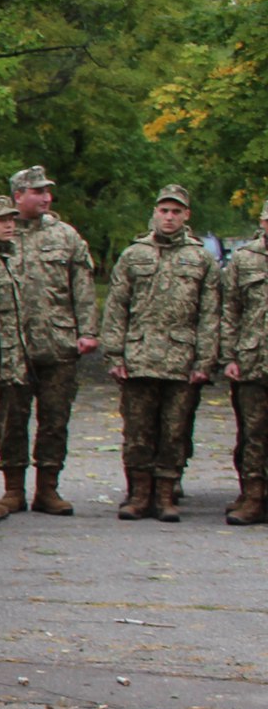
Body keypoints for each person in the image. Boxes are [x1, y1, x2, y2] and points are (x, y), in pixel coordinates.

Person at [102, 184, 220, 522]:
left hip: (181, 360)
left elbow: (210, 313)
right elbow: (116, 307)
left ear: (187, 216)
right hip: (138, 358)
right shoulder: (133, 255)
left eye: (176, 212)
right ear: (154, 212)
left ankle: (166, 494)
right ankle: (139, 494)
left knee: (174, 431)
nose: (169, 217)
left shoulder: (200, 258)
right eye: (164, 211)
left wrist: (204, 361)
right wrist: (115, 355)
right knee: (137, 431)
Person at [4, 165, 101, 516]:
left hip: (58, 344)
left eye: (47, 191)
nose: (45, 198)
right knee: (12, 419)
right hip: (14, 344)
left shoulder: (66, 236)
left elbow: (84, 288)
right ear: (18, 196)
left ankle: (48, 488)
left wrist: (88, 331)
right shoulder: (2, 232)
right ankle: (12, 488)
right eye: (37, 191)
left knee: (55, 420)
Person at [0, 197, 32, 505]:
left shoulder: (8, 257)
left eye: (12, 219)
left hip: (10, 359)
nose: (10, 225)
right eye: (1, 220)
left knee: (2, 427)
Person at [225, 207, 268, 526]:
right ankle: (252, 496)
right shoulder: (244, 259)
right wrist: (230, 356)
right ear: (263, 222)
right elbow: (230, 311)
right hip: (253, 359)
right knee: (253, 432)